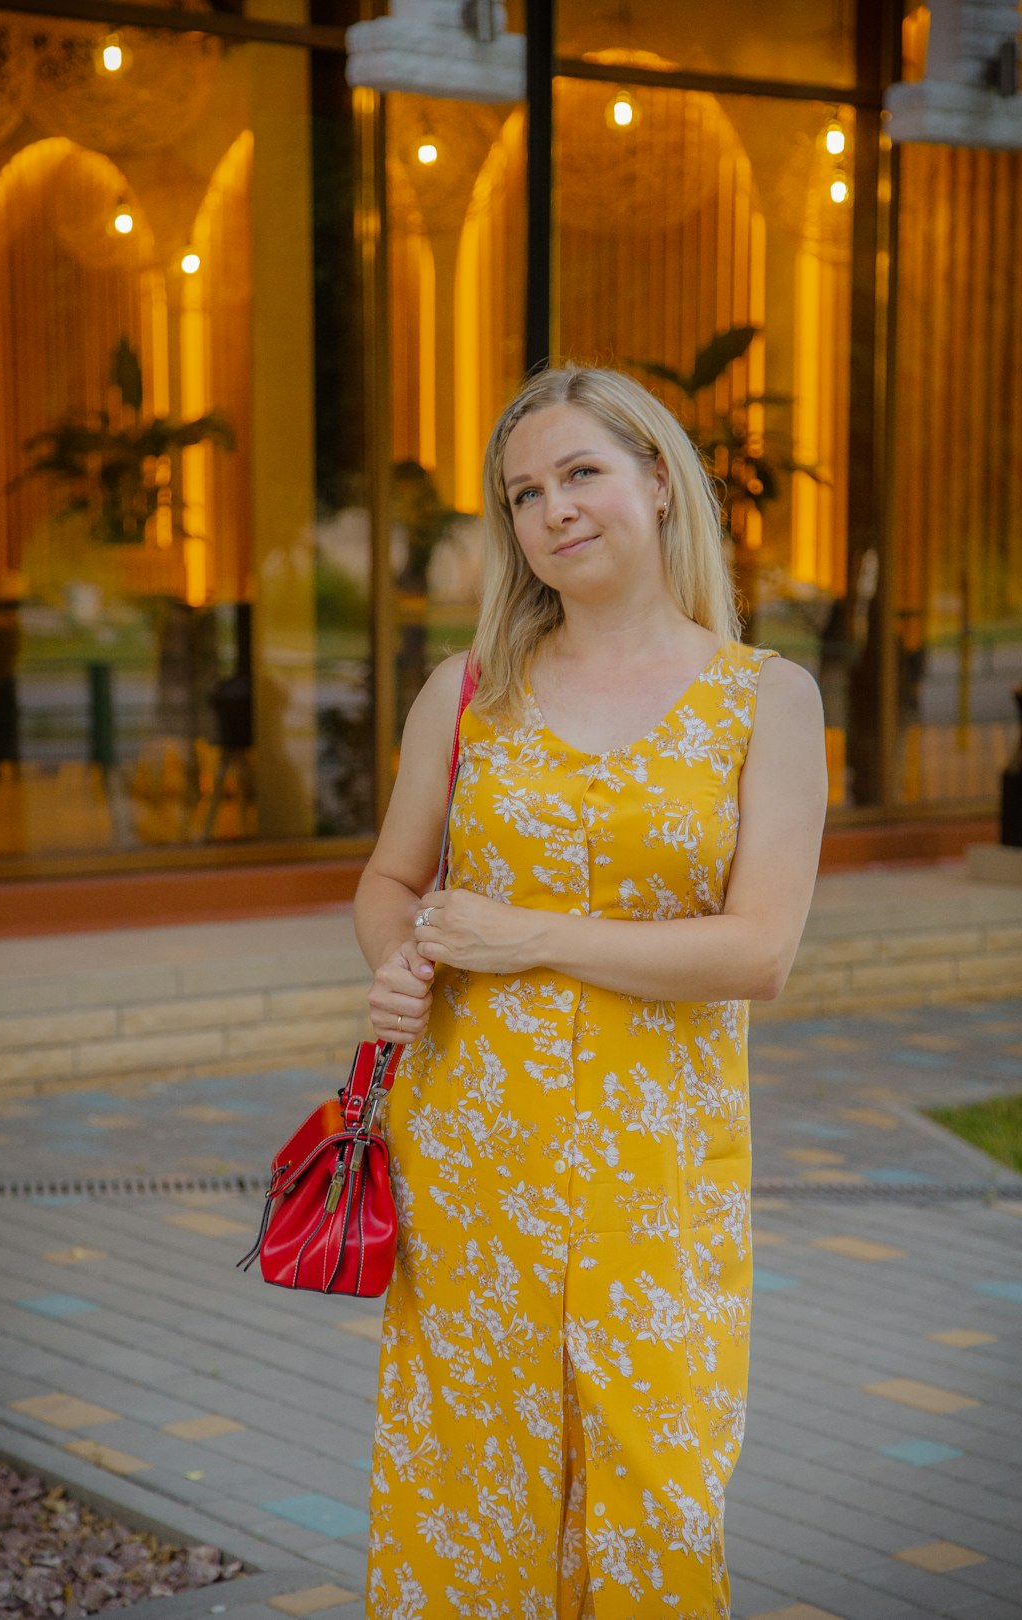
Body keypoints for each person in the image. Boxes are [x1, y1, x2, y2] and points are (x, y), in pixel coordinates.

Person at [353, 364, 827, 1619]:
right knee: (468, 1500)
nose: (554, 509)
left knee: (656, 1503)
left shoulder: (764, 701)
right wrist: (399, 961)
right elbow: (391, 881)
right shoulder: (466, 694)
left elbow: (759, 952)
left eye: (582, 474)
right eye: (524, 493)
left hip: (654, 1180)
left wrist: (529, 935)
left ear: (657, 483)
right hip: (472, 1163)